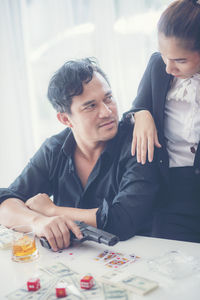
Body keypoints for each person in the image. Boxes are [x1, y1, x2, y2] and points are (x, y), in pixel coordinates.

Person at [0, 58, 159, 251]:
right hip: (74, 264)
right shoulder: (54, 149)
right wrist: (37, 221)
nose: (107, 112)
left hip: (138, 258)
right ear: (65, 119)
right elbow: (5, 201)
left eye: (108, 98)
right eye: (91, 106)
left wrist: (52, 210)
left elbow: (122, 220)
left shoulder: (138, 141)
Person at [130, 0, 200, 242]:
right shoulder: (158, 67)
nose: (169, 67)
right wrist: (142, 115)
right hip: (171, 193)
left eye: (180, 60)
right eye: (164, 55)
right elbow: (139, 104)